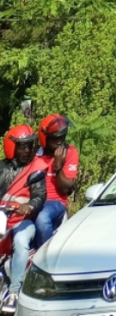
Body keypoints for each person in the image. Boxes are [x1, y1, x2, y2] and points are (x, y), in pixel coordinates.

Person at [0, 125, 46, 314]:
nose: (28, 150)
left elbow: (40, 194)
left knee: (20, 241)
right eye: (23, 146)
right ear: (12, 147)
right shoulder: (2, 168)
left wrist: (29, 206)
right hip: (3, 217)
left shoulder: (36, 168)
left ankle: (13, 291)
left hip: (23, 221)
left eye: (30, 145)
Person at [33, 115, 78, 249]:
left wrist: (58, 167)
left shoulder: (69, 152)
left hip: (55, 202)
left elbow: (66, 189)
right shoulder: (34, 154)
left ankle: (46, 256)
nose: (60, 142)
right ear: (45, 138)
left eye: (62, 137)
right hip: (33, 199)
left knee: (42, 219)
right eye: (55, 138)